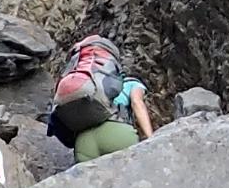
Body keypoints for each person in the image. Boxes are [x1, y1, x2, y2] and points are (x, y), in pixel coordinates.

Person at [47, 33, 155, 165]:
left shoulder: (94, 85)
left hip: (83, 142)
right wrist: (151, 139)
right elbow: (137, 104)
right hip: (117, 135)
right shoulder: (132, 83)